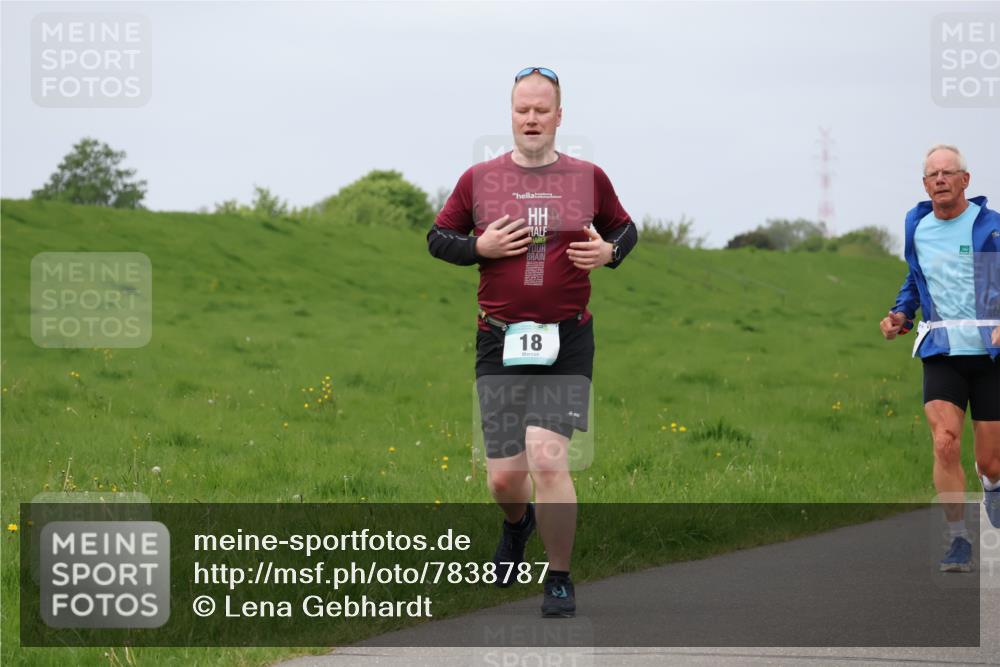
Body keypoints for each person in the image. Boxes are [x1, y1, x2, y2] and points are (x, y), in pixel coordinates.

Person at [427, 67, 638, 617]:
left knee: (548, 462)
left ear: (559, 116)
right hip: (499, 343)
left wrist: (610, 254)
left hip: (567, 340)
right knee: (504, 477)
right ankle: (516, 527)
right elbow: (438, 238)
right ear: (511, 114)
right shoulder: (480, 178)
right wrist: (480, 247)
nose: (532, 118)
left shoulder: (589, 177)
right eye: (523, 108)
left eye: (543, 109)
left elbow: (624, 228)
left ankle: (560, 578)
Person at [880, 144, 1000, 573]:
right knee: (945, 441)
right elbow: (916, 277)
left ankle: (993, 485)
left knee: (991, 459)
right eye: (933, 175)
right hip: (942, 350)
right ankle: (958, 540)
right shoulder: (918, 227)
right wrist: (901, 313)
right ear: (925, 184)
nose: (941, 180)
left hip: (991, 356)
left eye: (949, 173)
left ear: (965, 180)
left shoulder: (990, 229)